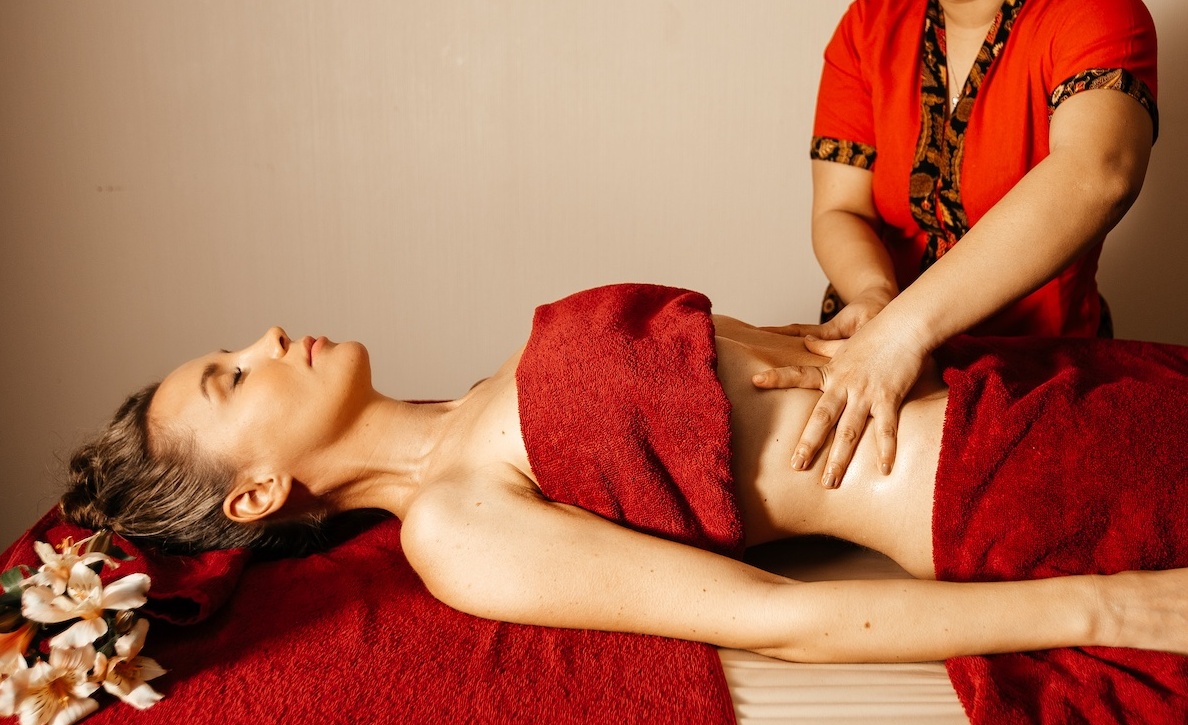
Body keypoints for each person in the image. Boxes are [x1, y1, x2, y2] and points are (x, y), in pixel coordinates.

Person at [58, 283, 1188, 667]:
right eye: (232, 375)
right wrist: (1110, 610)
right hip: (1011, 477)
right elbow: (774, 618)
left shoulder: (485, 394)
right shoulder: (452, 530)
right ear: (256, 494)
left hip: (1024, 383)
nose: (265, 337)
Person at [755, 0, 1159, 489]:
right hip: (871, 349)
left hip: (1033, 371)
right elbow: (840, 210)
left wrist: (903, 331)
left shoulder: (1096, 10)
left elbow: (1099, 173)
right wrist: (874, 296)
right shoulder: (870, 21)